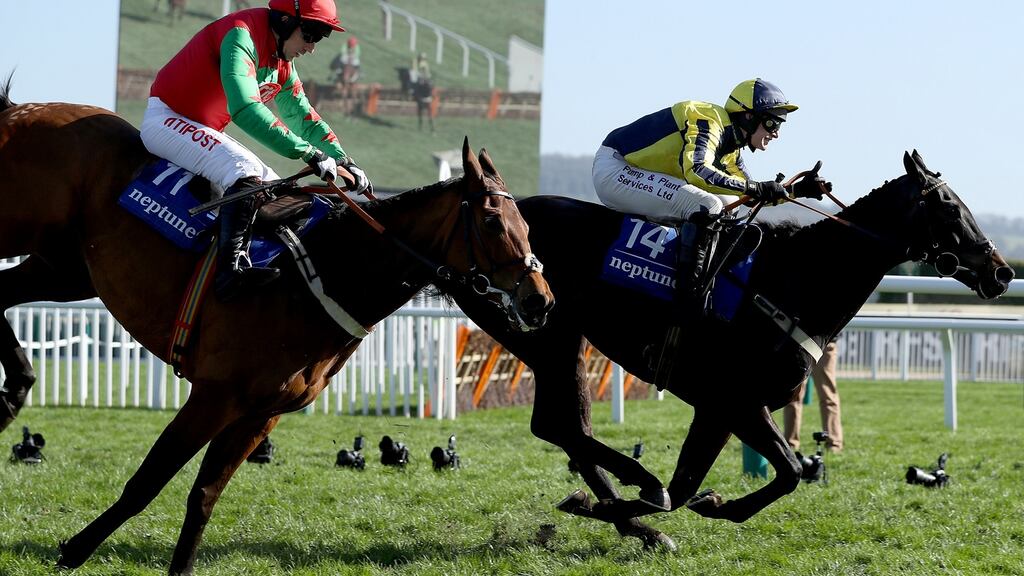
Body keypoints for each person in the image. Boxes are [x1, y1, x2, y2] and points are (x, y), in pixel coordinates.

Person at [141, 0, 372, 301]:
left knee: (273, 187)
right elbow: (245, 109)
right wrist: (310, 154)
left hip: (202, 128)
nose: (313, 47)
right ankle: (230, 273)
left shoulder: (282, 62)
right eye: (312, 33)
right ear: (287, 21)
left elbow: (304, 117)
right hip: (167, 119)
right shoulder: (241, 35)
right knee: (245, 170)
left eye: (320, 36)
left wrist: (344, 159)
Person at [593, 78, 825, 311]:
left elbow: (750, 195)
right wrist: (755, 187)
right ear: (748, 116)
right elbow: (697, 171)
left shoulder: (731, 149)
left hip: (636, 172)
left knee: (731, 203)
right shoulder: (709, 120)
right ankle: (689, 296)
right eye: (772, 123)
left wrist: (797, 191)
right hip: (616, 169)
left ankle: (703, 275)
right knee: (708, 205)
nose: (776, 134)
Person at [784, 338, 843, 452]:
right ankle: (790, 444)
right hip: (800, 342)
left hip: (824, 343)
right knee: (794, 396)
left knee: (828, 396)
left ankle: (834, 444)